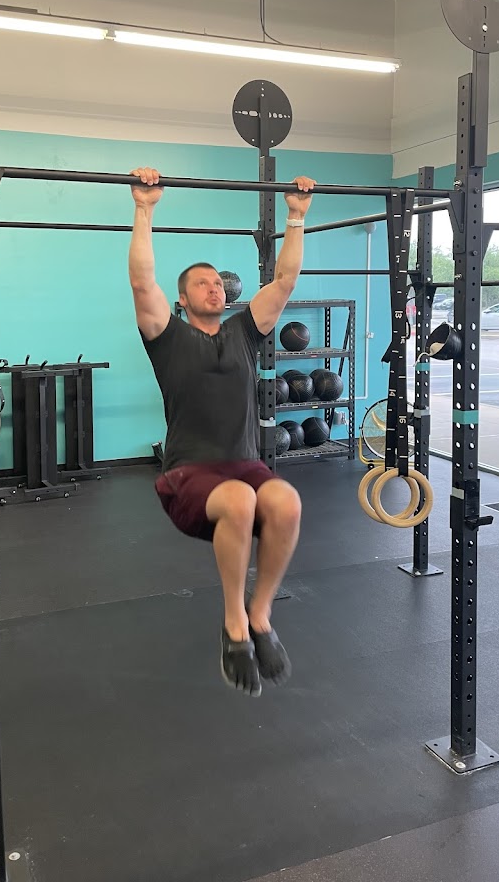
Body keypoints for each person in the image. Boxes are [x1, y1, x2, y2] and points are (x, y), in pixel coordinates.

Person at [128, 166, 316, 697]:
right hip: (189, 475)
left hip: (244, 465)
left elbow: (284, 281)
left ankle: (260, 617)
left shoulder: (243, 333)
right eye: (201, 283)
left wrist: (296, 218)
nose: (214, 288)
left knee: (286, 503)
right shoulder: (165, 336)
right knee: (238, 499)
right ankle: (233, 624)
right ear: (182, 300)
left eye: (218, 282)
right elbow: (142, 281)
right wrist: (144, 209)